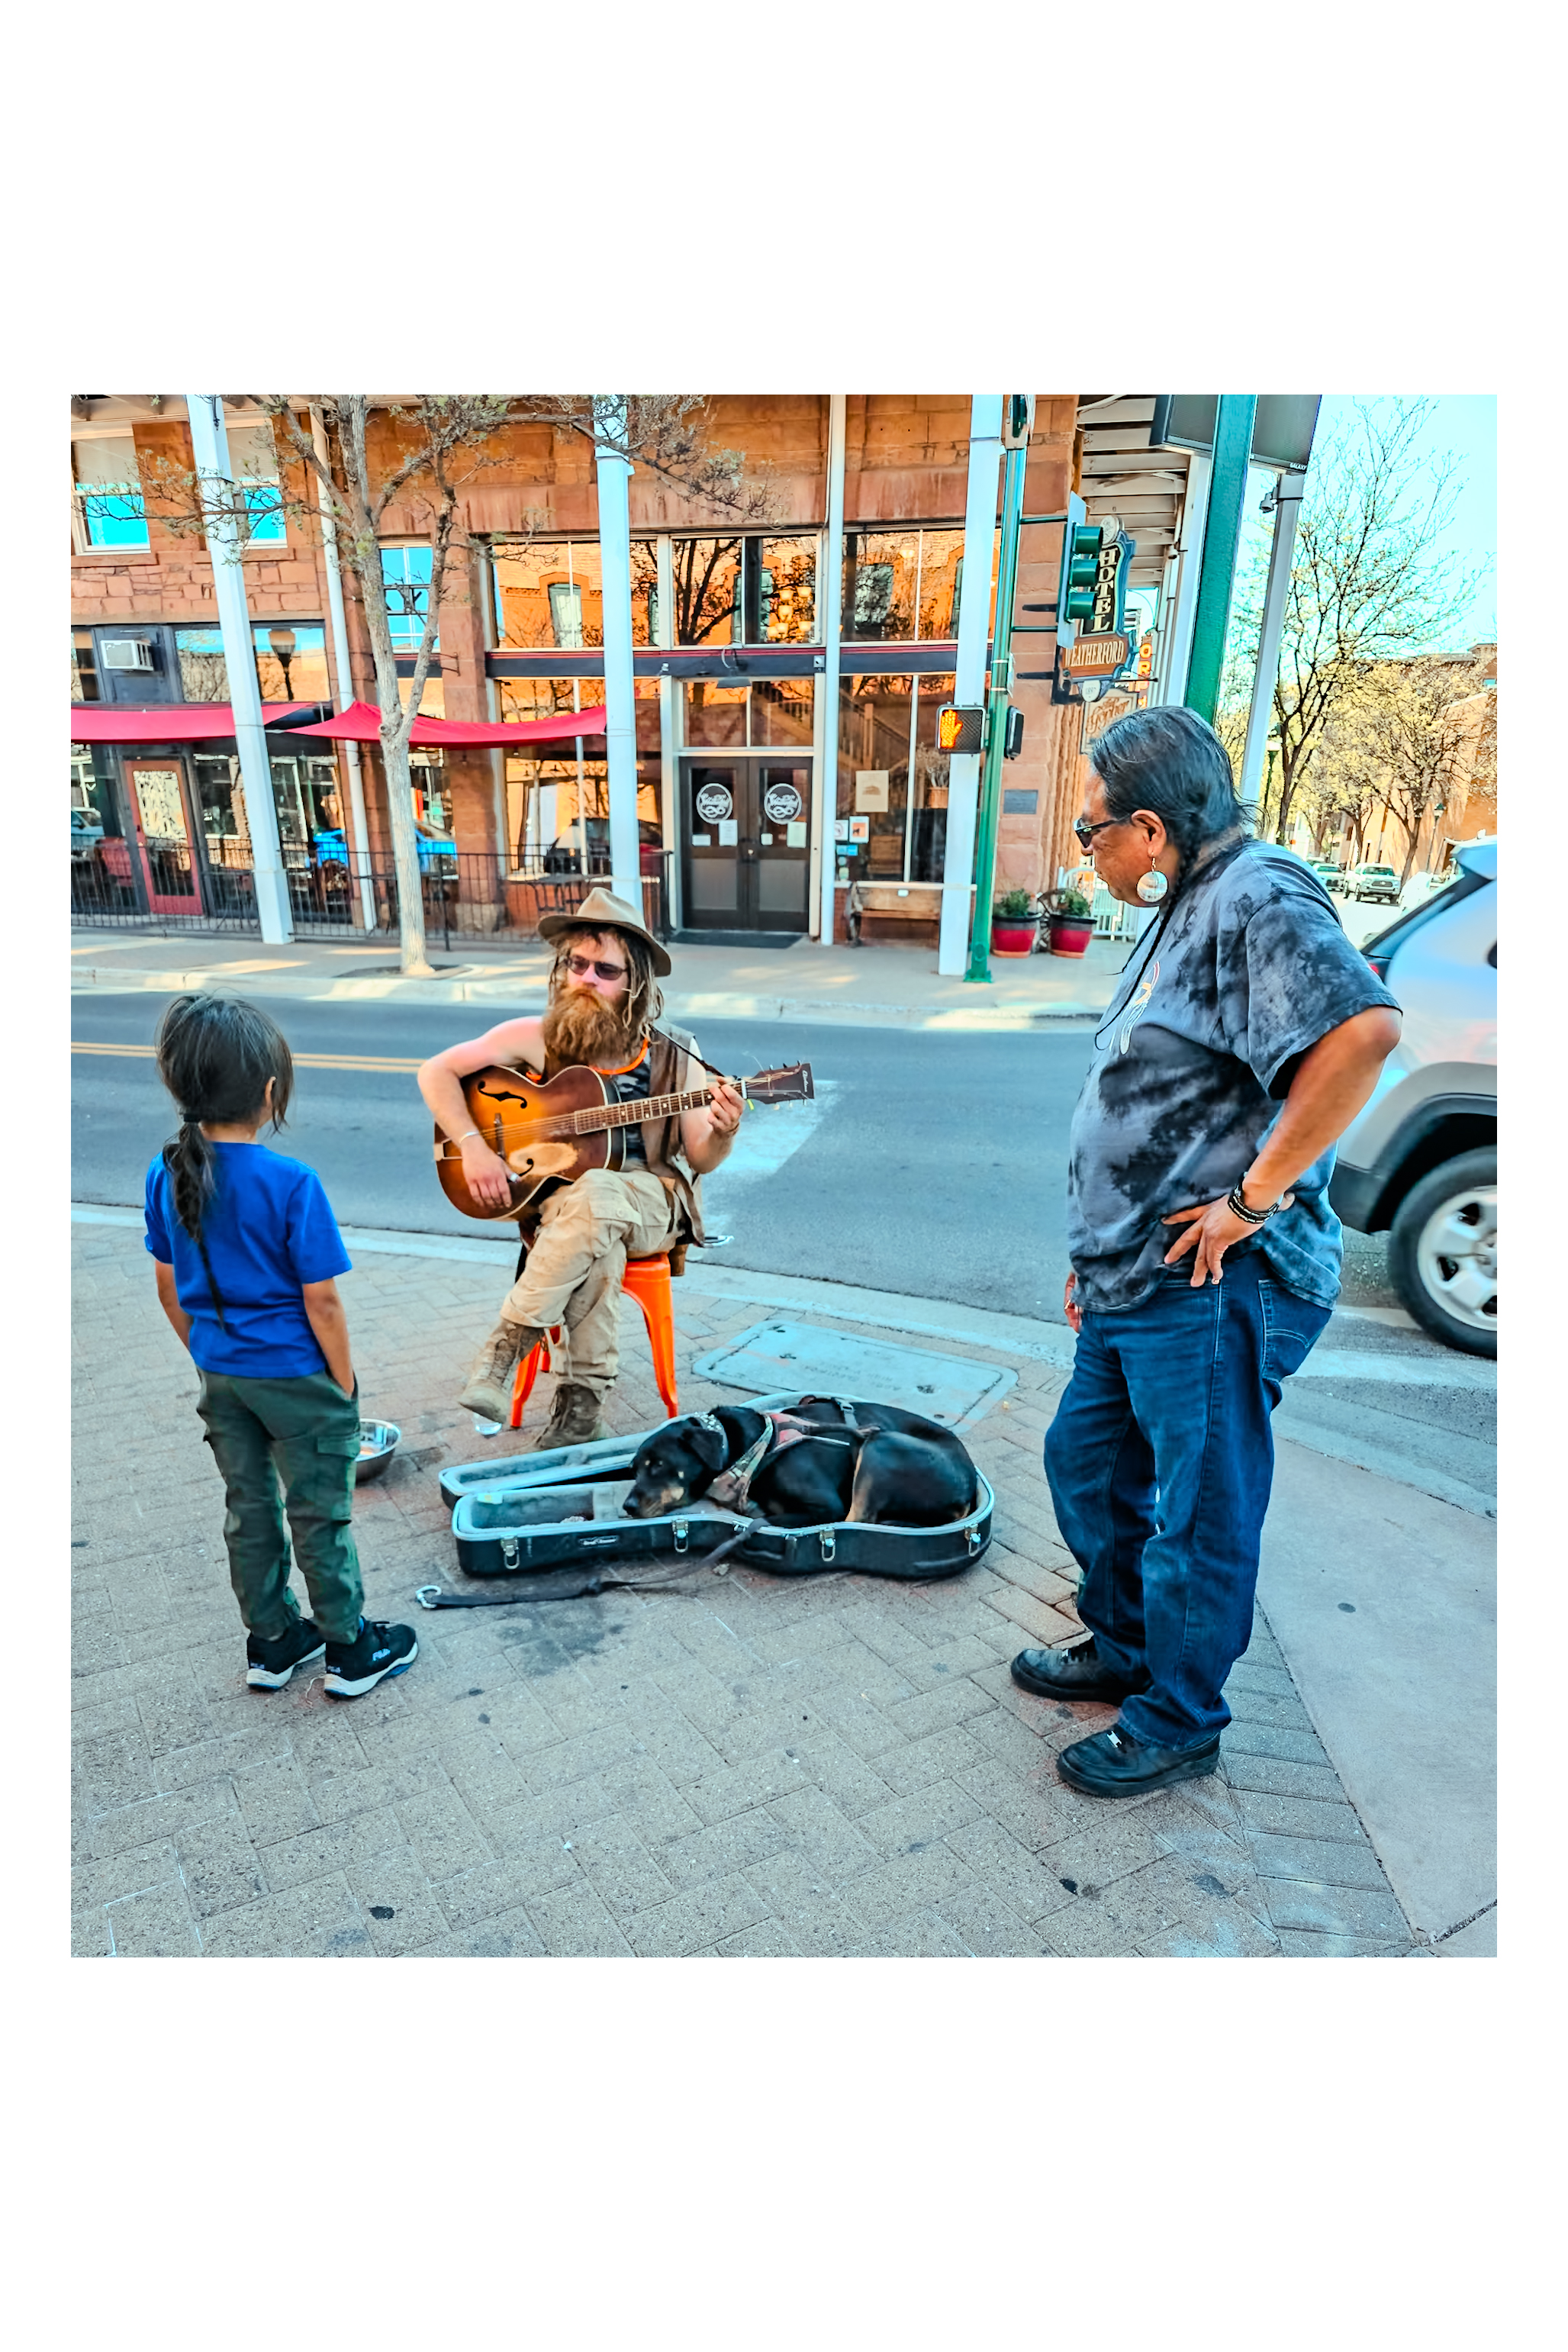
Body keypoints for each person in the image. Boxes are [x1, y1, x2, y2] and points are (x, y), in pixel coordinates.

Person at [1010, 707, 1403, 1797]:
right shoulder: (1187, 894)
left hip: (1210, 1280)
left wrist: (1252, 1197)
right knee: (1085, 1466)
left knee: (1198, 1508)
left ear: (1147, 824)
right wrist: (1092, 1252)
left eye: (1090, 832)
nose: (1083, 852)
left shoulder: (1256, 892)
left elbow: (1360, 1032)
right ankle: (1128, 1646)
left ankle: (1179, 1715)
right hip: (1129, 1276)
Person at [144, 994, 418, 1700]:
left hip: (222, 1373)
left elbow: (170, 1290)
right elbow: (321, 1302)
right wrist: (343, 1385)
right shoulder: (292, 1182)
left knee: (250, 1509)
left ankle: (271, 1642)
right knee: (318, 1517)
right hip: (297, 1376)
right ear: (269, 1092)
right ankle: (351, 1649)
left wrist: (208, 1356)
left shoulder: (162, 1171)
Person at [418, 886, 744, 1445]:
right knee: (595, 1233)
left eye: (605, 970)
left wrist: (725, 1128)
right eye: (577, 964)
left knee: (596, 1194)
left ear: (635, 982)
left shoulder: (675, 1053)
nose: (586, 978)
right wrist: (473, 1146)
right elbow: (436, 1072)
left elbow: (699, 1159)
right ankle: (579, 1418)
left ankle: (503, 1353)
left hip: (654, 1199)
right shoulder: (539, 1037)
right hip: (574, 1210)